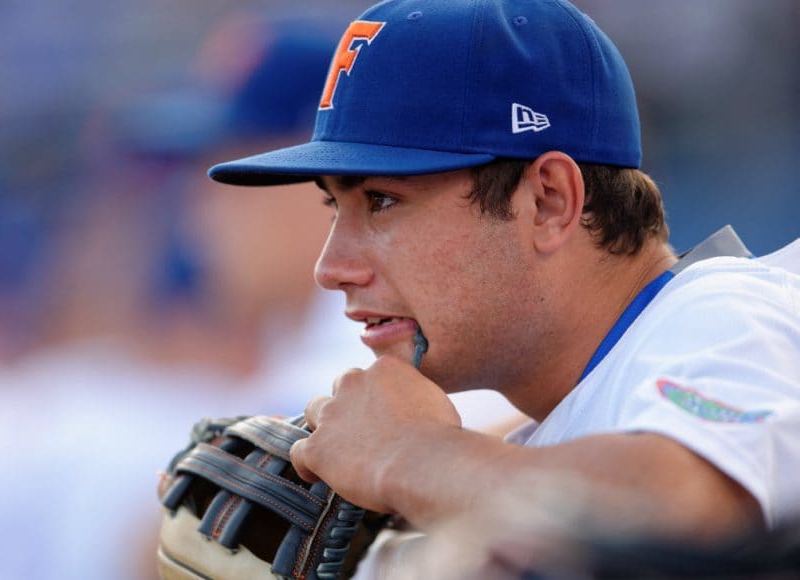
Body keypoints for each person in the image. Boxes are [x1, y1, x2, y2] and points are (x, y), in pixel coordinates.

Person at [204, 0, 800, 566]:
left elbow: (688, 521)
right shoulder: (551, 439)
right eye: (337, 209)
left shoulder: (727, 309)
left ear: (548, 202)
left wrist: (410, 455)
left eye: (381, 201)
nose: (331, 269)